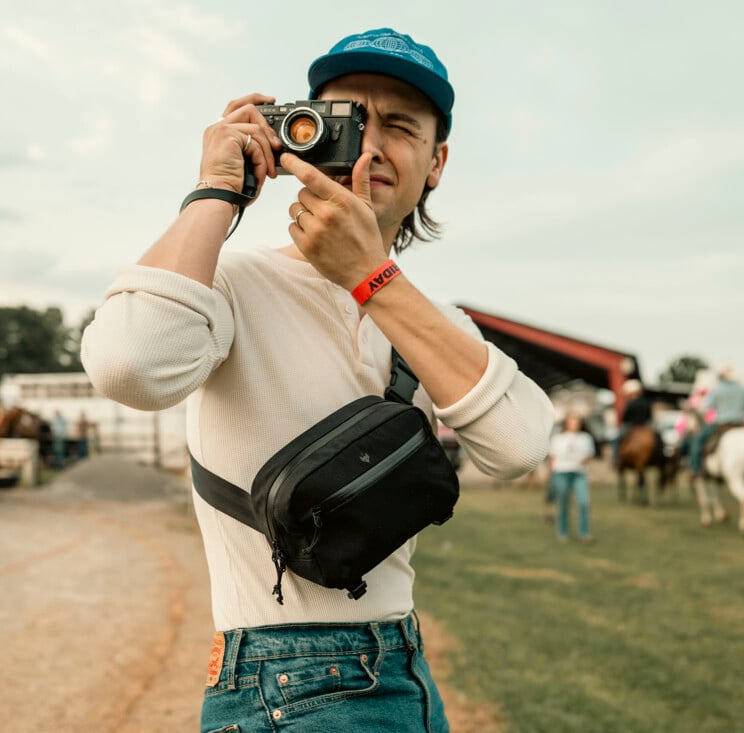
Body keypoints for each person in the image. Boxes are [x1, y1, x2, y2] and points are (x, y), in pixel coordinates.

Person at [81, 27, 554, 732]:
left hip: (405, 667)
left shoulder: (432, 320)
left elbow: (520, 444)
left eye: (399, 126)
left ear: (437, 162)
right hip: (279, 683)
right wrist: (215, 191)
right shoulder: (232, 281)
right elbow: (127, 366)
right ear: (299, 131)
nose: (370, 144)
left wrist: (373, 278)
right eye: (347, 120)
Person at [689, 364, 744, 477]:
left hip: (722, 424)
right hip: (739, 424)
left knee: (698, 440)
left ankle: (695, 468)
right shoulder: (740, 389)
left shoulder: (717, 389)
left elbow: (705, 406)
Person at [548, 413, 595, 543]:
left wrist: (582, 460)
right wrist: (551, 474)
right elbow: (552, 457)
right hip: (561, 473)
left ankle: (584, 533)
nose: (575, 424)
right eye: (572, 421)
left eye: (577, 421)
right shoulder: (558, 438)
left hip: (579, 473)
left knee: (583, 502)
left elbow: (590, 454)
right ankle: (562, 532)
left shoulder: (586, 438)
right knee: (562, 503)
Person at [613, 379, 652, 463]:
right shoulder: (646, 402)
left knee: (617, 439)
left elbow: (625, 417)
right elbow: (649, 416)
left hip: (631, 426)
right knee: (657, 437)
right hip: (645, 426)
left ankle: (616, 458)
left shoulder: (630, 403)